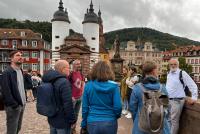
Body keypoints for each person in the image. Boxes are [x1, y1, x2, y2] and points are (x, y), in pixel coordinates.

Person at [81, 61, 122, 134]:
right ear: (109, 71)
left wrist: (84, 124)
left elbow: (85, 108)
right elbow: (118, 107)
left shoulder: (88, 85)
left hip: (92, 121)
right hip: (110, 121)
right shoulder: (114, 86)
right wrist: (115, 116)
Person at [129, 61, 170, 134]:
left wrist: (137, 119)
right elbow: (166, 108)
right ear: (154, 70)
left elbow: (132, 107)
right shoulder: (162, 88)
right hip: (160, 127)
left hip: (141, 126)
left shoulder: (137, 88)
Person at [42, 60, 76, 134]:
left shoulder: (49, 79)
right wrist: (72, 120)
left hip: (52, 117)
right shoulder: (64, 82)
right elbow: (67, 103)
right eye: (68, 68)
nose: (69, 70)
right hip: (62, 120)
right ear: (62, 69)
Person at [166, 58, 198, 134]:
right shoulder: (169, 73)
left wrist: (194, 97)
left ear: (178, 65)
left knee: (174, 120)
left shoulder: (182, 73)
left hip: (177, 100)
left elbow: (192, 85)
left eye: (175, 64)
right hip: (168, 100)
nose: (173, 66)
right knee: (168, 119)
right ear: (169, 65)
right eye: (171, 64)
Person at [1, 50, 26, 134]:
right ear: (11, 59)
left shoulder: (20, 71)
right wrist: (14, 105)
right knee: (12, 130)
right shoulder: (7, 73)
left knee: (18, 128)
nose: (20, 57)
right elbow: (6, 91)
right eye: (17, 55)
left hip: (22, 104)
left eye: (21, 55)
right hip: (13, 107)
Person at [69, 59, 85, 133]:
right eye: (77, 64)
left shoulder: (81, 74)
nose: (79, 65)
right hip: (73, 98)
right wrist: (70, 96)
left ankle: (73, 129)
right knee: (70, 114)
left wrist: (82, 93)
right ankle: (69, 129)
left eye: (80, 64)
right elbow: (67, 85)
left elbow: (82, 84)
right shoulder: (71, 74)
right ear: (73, 65)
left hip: (79, 97)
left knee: (76, 114)